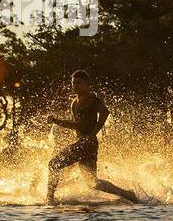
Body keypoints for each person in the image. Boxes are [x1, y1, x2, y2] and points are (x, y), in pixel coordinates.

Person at [46, 71, 138, 203]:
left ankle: (49, 200)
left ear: (87, 84)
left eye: (78, 83)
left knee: (54, 164)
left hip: (88, 143)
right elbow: (77, 125)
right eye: (73, 83)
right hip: (85, 143)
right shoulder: (74, 103)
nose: (75, 86)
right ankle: (128, 194)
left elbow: (105, 113)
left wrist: (93, 133)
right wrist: (56, 121)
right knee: (93, 183)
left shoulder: (93, 99)